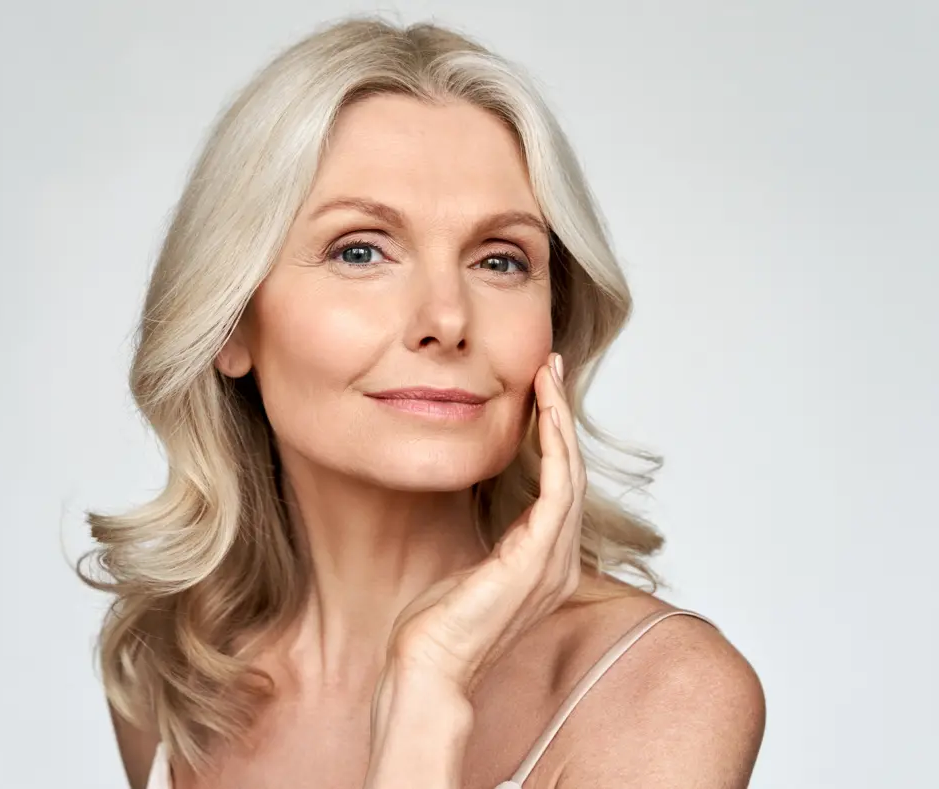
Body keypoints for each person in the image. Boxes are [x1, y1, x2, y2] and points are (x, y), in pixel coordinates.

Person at [79, 15, 766, 789]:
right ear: (232, 321)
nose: (446, 318)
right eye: (361, 250)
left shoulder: (659, 692)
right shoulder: (166, 675)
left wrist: (428, 689)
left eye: (501, 260)